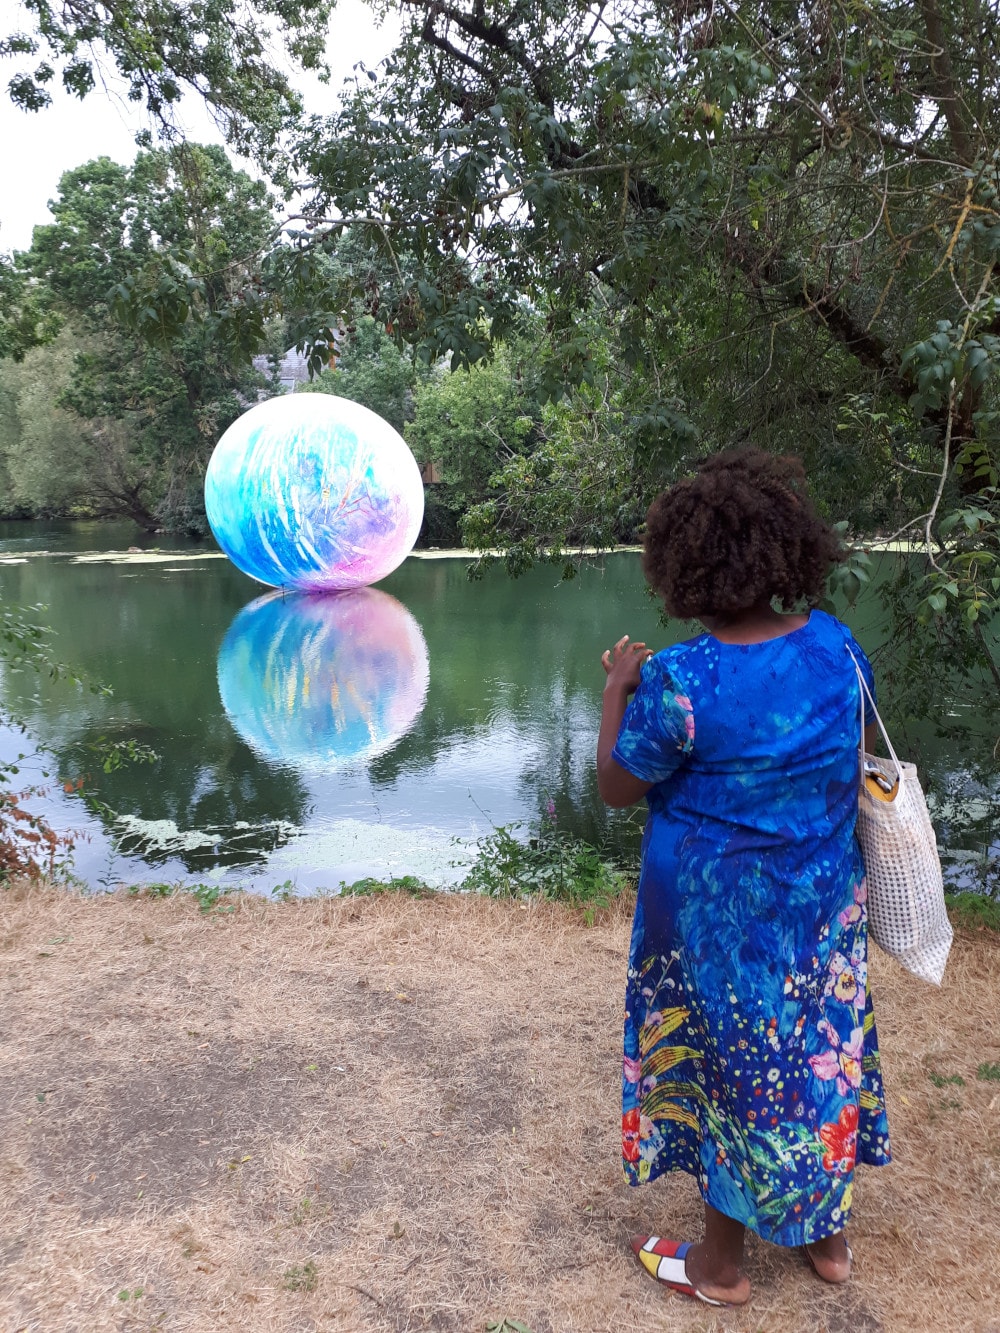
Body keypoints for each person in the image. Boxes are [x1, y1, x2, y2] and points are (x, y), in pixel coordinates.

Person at [597, 448, 890, 1307]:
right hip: (822, 903)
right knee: (820, 1052)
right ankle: (826, 1241)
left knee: (740, 1072)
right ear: (781, 553)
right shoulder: (839, 649)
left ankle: (721, 1269)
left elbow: (618, 786)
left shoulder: (682, 682)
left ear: (683, 568)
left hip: (720, 921)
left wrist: (619, 686)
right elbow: (847, 759)